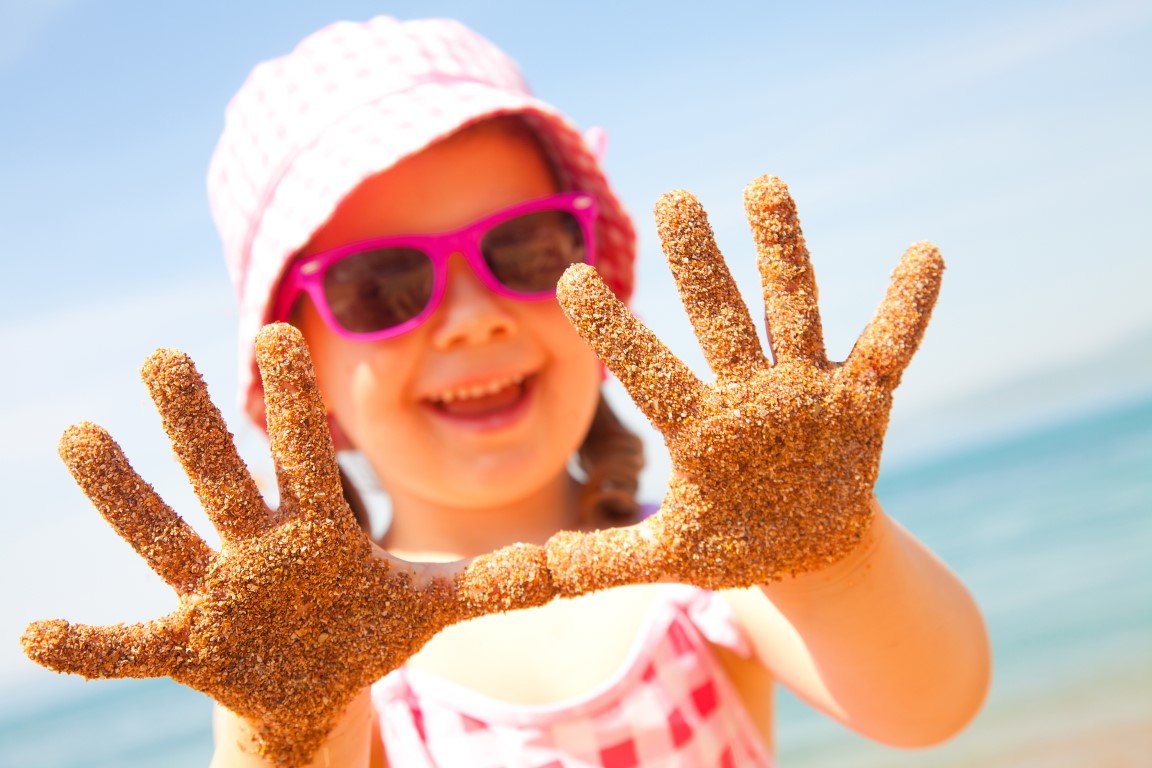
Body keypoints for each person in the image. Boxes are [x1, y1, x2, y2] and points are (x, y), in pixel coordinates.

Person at [52, 15, 993, 767]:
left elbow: (929, 702)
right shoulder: (350, 678)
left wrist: (828, 546)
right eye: (381, 285)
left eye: (526, 252)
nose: (472, 319)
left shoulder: (713, 564)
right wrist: (287, 719)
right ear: (301, 374)